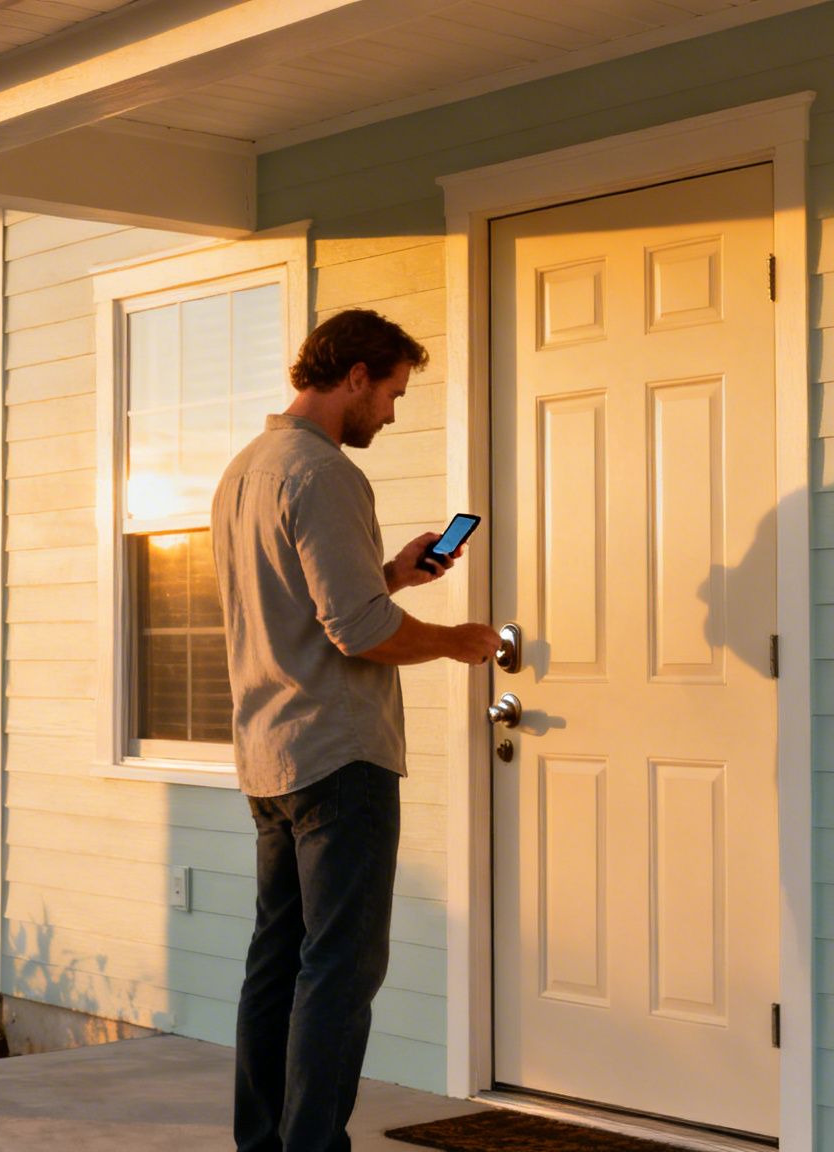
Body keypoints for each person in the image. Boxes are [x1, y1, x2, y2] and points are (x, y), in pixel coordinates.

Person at [213, 308, 500, 1152]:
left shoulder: (246, 469)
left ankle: (264, 1142)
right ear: (354, 377)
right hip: (339, 757)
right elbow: (357, 633)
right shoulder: (324, 472)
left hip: (270, 757)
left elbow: (309, 608)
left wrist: (391, 578)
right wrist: (458, 641)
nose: (392, 412)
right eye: (392, 393)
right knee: (341, 966)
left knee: (279, 959)